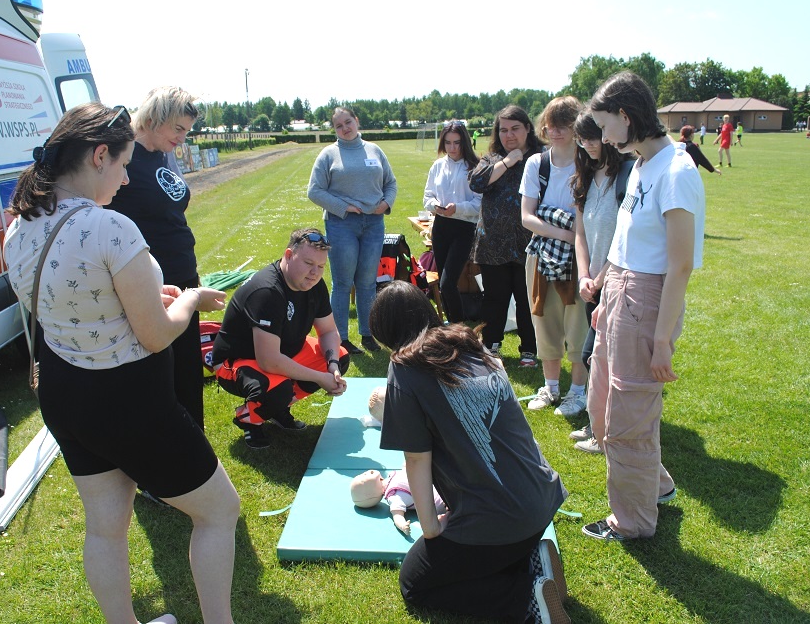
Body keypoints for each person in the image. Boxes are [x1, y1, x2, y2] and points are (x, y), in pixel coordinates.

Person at [4, 103, 238, 624]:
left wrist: (152, 294)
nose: (127, 177)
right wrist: (188, 301)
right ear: (99, 156)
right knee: (220, 511)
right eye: (124, 164)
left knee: (105, 527)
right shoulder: (111, 226)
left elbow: (78, 304)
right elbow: (156, 337)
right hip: (129, 401)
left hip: (64, 395)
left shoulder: (19, 227)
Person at [370, 281, 569, 623]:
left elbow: (416, 459)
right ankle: (531, 562)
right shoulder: (470, 344)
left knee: (415, 583)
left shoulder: (404, 368)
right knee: (477, 557)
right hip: (541, 500)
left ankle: (527, 597)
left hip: (503, 521)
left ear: (385, 331)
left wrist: (431, 529)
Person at [585, 71, 705, 541]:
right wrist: (606, 295)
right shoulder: (640, 165)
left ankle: (632, 521)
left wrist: (661, 339)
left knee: (628, 419)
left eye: (605, 126)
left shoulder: (677, 171)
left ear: (626, 115)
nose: (603, 138)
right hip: (621, 293)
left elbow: (680, 265)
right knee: (601, 405)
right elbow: (625, 240)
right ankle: (657, 484)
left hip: (649, 299)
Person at [108, 86, 207, 429]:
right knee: (159, 370)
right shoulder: (124, 157)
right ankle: (164, 442)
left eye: (187, 131)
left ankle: (193, 438)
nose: (182, 138)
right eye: (177, 129)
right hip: (149, 280)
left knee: (187, 368)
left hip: (183, 272)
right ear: (152, 120)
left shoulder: (164, 153)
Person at [212, 228, 350, 449]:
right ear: (288, 255)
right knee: (279, 390)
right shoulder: (267, 291)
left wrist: (332, 366)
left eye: (321, 266)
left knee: (339, 357)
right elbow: (269, 361)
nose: (315, 272)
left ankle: (276, 409)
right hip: (237, 361)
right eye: (308, 263)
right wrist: (319, 378)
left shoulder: (314, 284)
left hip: (281, 351)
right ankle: (249, 417)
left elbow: (328, 332)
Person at [520, 96, 590, 417]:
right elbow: (527, 217)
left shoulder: (589, 162)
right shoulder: (537, 163)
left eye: (564, 124)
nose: (556, 131)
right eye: (550, 124)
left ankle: (577, 392)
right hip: (542, 253)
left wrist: (572, 235)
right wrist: (564, 233)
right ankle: (550, 387)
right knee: (543, 321)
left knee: (578, 325)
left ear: (578, 127)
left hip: (580, 257)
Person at [307, 106, 397, 355]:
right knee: (343, 283)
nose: (345, 128)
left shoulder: (375, 150)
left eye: (348, 122)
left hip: (374, 224)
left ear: (356, 121)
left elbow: (390, 183)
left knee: (367, 283)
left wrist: (385, 204)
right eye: (339, 126)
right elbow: (314, 190)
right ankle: (341, 339)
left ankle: (369, 335)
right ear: (334, 130)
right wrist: (343, 207)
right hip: (341, 224)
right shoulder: (328, 155)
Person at [568, 111, 634, 454]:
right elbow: (580, 233)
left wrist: (601, 277)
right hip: (591, 284)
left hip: (618, 281)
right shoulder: (584, 178)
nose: (588, 145)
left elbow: (626, 236)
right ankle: (599, 424)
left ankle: (607, 430)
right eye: (581, 140)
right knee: (594, 358)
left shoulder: (628, 175)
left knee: (597, 358)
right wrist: (584, 275)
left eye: (592, 136)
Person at [468, 105, 542, 365]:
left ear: (528, 128)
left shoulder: (541, 158)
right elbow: (476, 182)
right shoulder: (492, 159)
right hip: (493, 244)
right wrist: (508, 161)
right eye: (503, 130)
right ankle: (491, 347)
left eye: (515, 129)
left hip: (529, 243)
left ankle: (529, 350)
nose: (509, 135)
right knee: (494, 299)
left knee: (527, 299)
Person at [422, 121, 482, 324]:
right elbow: (427, 196)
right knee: (443, 282)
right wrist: (435, 205)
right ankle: (452, 326)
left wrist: (458, 208)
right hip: (441, 227)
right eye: (448, 142)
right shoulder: (438, 166)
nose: (452, 147)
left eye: (457, 142)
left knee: (448, 283)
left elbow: (479, 204)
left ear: (464, 142)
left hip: (464, 228)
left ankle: (458, 328)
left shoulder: (474, 167)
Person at [350, 467, 447, 536]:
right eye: (362, 480)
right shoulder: (393, 496)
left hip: (438, 483)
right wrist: (403, 526)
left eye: (361, 474)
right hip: (439, 501)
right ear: (370, 494)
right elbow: (397, 516)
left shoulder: (391, 476)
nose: (364, 474)